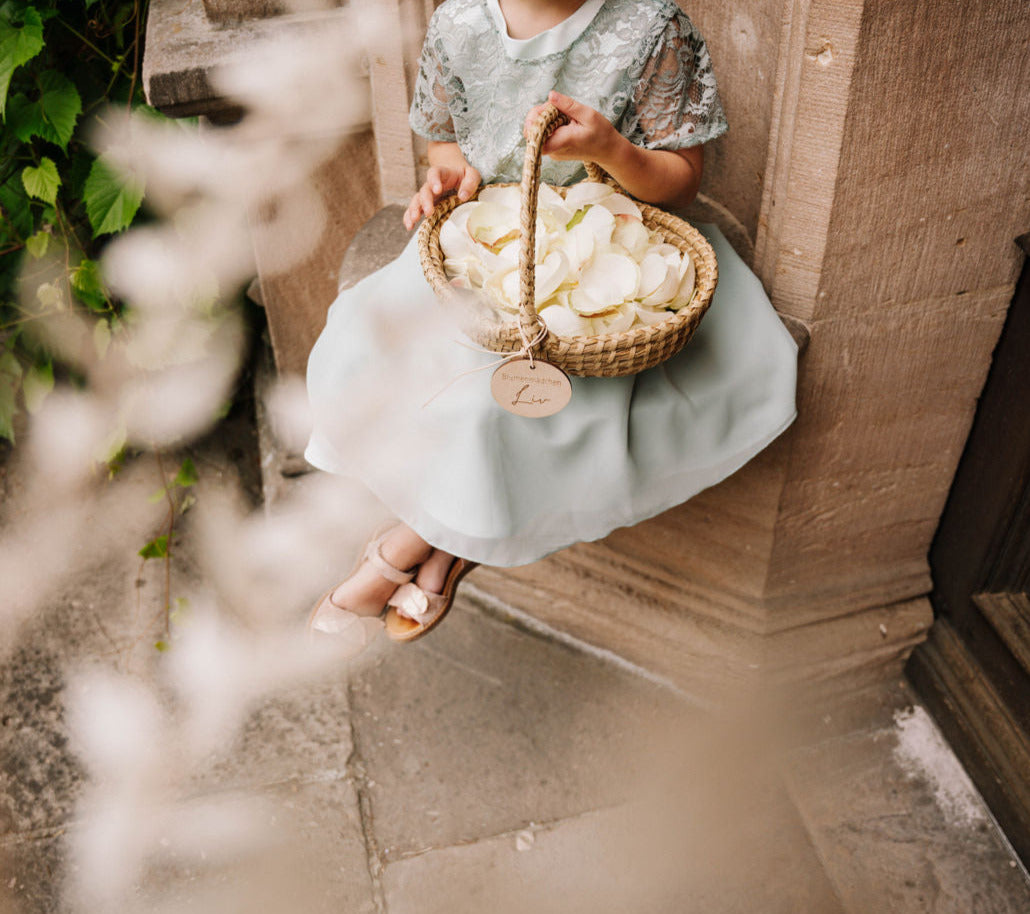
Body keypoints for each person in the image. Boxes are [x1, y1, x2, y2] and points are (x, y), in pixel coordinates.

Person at [304, 0, 797, 642]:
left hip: (606, 244)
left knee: (499, 412)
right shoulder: (459, 21)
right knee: (396, 358)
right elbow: (447, 139)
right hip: (491, 244)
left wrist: (610, 148)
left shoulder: (649, 26)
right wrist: (451, 175)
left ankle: (407, 547)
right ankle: (448, 550)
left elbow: (680, 183)